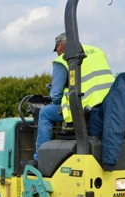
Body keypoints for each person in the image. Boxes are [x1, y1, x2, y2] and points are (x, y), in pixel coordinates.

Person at [29, 32, 115, 167]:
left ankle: (39, 160)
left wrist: (56, 100)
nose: (57, 53)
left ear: (59, 47)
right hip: (109, 104)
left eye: (56, 50)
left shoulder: (63, 58)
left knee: (45, 113)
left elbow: (56, 95)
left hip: (84, 106)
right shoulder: (97, 51)